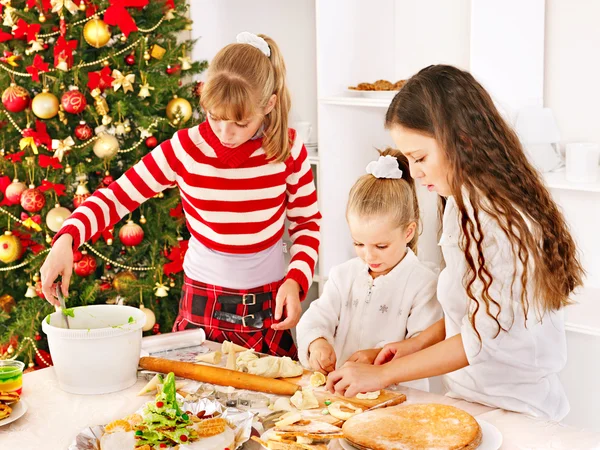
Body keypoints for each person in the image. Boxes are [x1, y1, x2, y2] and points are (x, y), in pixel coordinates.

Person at [326, 64, 583, 421]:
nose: (414, 173)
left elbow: (480, 340)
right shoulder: (458, 203)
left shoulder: (502, 224)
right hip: (471, 398)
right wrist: (410, 347)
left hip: (518, 409)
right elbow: (469, 315)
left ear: (460, 140)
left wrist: (383, 375)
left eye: (420, 158)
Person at [40, 32, 321, 358]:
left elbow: (308, 223)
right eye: (215, 117)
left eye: (240, 123)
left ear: (269, 105)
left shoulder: (287, 150)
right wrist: (66, 240)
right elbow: (116, 197)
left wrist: (296, 279)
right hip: (202, 302)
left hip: (269, 302)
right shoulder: (185, 149)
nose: (225, 134)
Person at [296, 149, 441, 391]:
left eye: (381, 246)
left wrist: (375, 358)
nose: (369, 255)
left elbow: (422, 348)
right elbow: (316, 318)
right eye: (359, 244)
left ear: (408, 231)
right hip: (345, 395)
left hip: (400, 401)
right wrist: (317, 343)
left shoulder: (423, 284)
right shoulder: (344, 275)